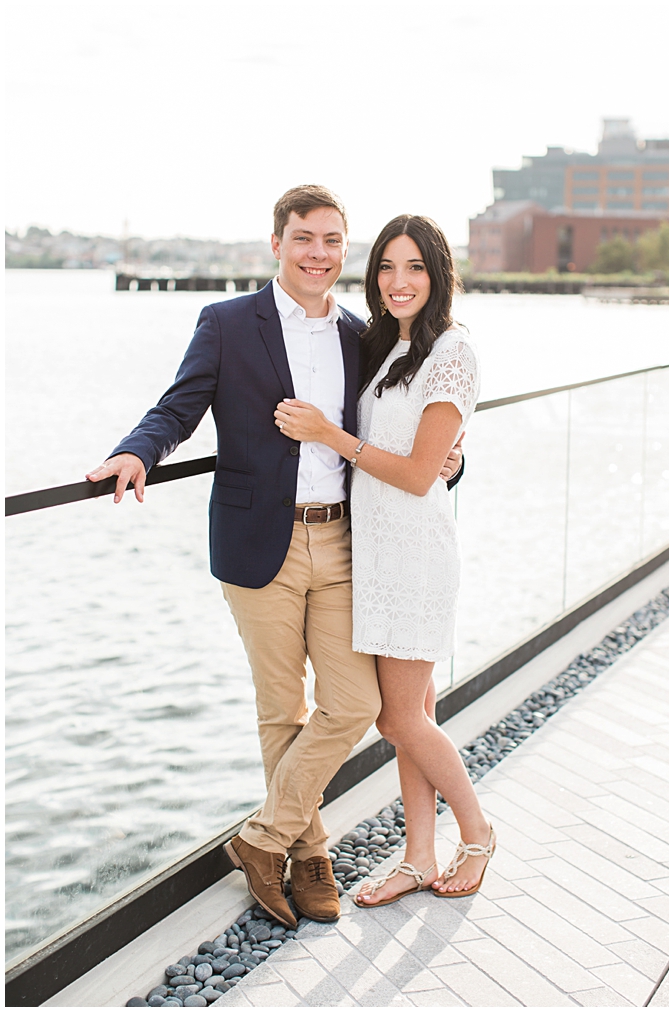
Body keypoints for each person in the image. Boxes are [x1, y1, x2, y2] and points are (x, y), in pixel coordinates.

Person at [85, 186, 465, 927]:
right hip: (259, 539)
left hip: (347, 539)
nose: (317, 254)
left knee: (356, 703)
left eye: (330, 241)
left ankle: (263, 838)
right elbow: (179, 406)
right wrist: (134, 453)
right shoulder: (228, 323)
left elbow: (404, 428)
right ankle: (309, 853)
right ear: (277, 244)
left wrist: (452, 459)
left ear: (343, 249)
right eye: (303, 239)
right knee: (280, 706)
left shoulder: (364, 335)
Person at [273, 214, 495, 907]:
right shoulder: (385, 345)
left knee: (397, 720)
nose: (399, 282)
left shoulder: (453, 351)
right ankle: (417, 857)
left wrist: (327, 434)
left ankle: (480, 833)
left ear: (439, 275)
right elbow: (420, 453)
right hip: (374, 554)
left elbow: (421, 471)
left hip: (416, 559)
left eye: (415, 269)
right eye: (388, 268)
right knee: (413, 712)